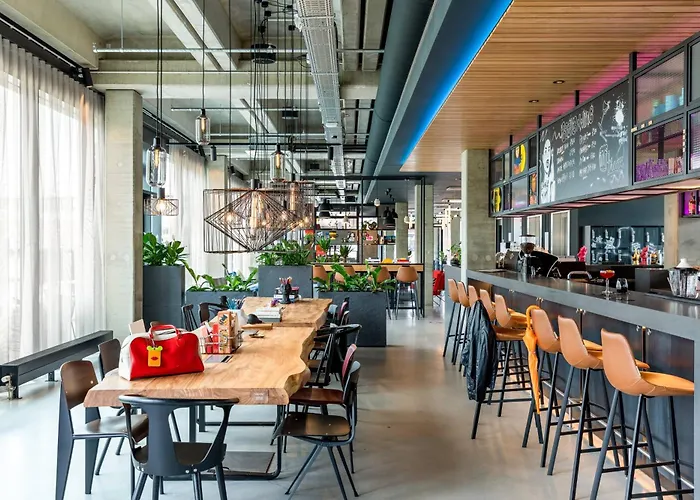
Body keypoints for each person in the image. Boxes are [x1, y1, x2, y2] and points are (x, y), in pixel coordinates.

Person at [540, 137, 555, 203]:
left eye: (549, 151)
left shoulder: (553, 182)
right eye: (545, 151)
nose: (547, 156)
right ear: (542, 156)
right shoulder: (540, 184)